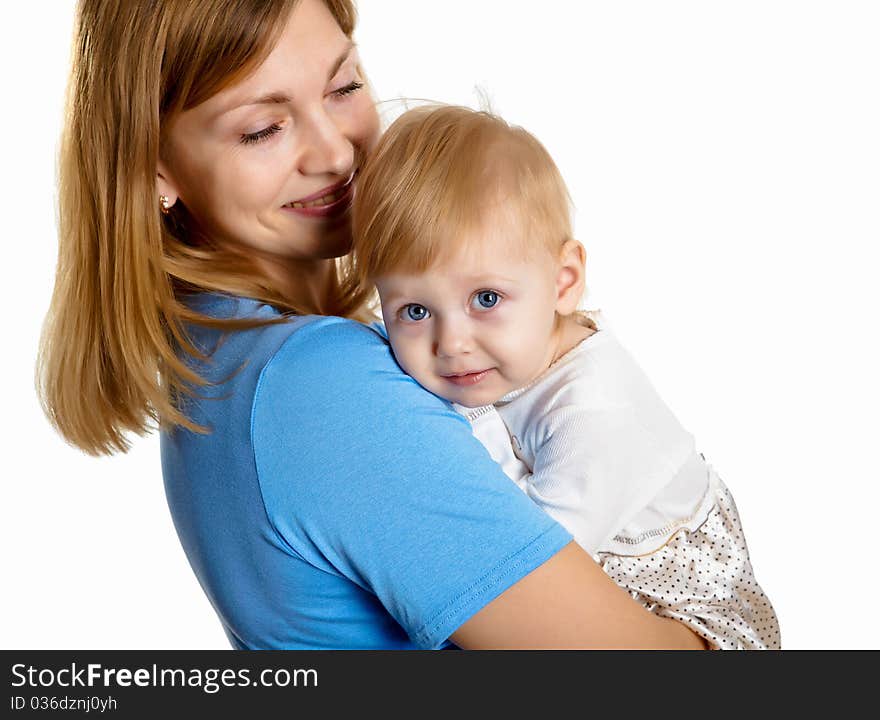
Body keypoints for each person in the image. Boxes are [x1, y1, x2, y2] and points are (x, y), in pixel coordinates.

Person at [38, 0, 708, 649]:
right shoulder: (316, 383)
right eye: (262, 129)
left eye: (344, 86)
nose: (334, 153)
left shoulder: (221, 358)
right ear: (155, 167)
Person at [349, 104, 780, 649]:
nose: (451, 343)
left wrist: (470, 423)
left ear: (563, 282)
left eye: (486, 299)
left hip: (692, 621)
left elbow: (526, 566)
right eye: (414, 311)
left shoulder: (595, 411)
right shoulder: (505, 357)